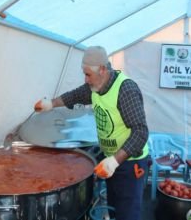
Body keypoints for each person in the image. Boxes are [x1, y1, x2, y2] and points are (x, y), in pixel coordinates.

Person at [34, 46, 149, 220]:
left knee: (128, 214)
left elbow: (141, 132)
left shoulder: (126, 90)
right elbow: (74, 96)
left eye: (88, 74)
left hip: (130, 164)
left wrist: (115, 161)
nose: (85, 79)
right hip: (110, 160)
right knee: (114, 210)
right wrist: (50, 103)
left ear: (102, 69)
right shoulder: (95, 86)